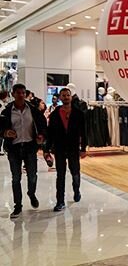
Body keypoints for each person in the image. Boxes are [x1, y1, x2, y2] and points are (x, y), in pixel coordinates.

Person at [0, 84, 47, 219]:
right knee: (16, 178)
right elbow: (1, 128)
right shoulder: (7, 111)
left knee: (32, 175)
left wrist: (41, 136)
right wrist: (5, 133)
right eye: (18, 93)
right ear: (13, 94)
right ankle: (17, 206)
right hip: (14, 148)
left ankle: (31, 194)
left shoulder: (32, 109)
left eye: (23, 92)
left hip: (29, 147)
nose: (21, 95)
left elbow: (42, 125)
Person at [46, 88, 87, 211]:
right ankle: (60, 201)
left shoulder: (79, 114)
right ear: (60, 97)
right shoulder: (54, 115)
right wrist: (47, 149)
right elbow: (50, 133)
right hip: (59, 147)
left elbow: (84, 132)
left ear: (71, 96)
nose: (66, 97)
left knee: (75, 172)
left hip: (73, 147)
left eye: (68, 95)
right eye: (63, 95)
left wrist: (83, 147)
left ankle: (76, 190)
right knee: (60, 174)